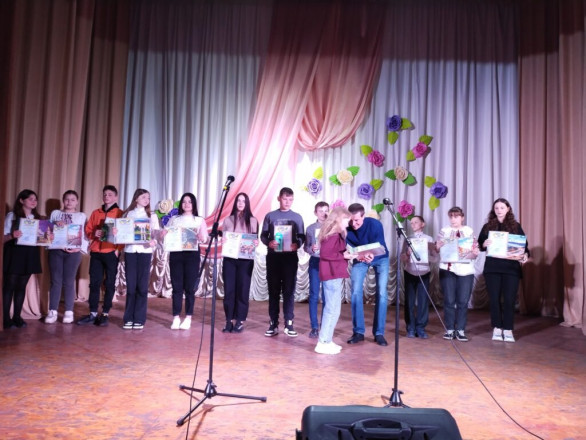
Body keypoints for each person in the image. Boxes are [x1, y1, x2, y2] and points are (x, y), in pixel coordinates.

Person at [478, 198, 530, 343]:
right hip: (492, 268)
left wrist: (525, 255)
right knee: (494, 299)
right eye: (496, 208)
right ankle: (497, 328)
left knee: (509, 300)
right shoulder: (487, 226)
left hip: (511, 269)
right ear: (493, 210)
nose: (499, 210)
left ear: (508, 209)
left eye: (502, 207)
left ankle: (508, 329)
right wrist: (484, 243)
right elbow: (479, 245)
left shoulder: (515, 226)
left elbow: (524, 247)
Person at [260, 187, 305, 337]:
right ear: (279, 198)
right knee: (273, 291)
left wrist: (297, 244)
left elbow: (302, 236)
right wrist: (269, 242)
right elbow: (263, 235)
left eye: (290, 199)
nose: (287, 202)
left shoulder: (297, 217)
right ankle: (273, 323)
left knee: (289, 291)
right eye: (285, 199)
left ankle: (289, 323)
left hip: (290, 259)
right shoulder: (270, 216)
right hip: (273, 258)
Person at [77, 185, 123, 327]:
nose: (106, 197)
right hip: (96, 251)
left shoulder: (120, 213)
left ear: (115, 197)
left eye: (110, 194)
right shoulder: (96, 212)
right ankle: (92, 313)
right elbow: (88, 230)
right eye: (105, 194)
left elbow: (124, 233)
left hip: (111, 252)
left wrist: (118, 249)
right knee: (94, 283)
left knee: (109, 283)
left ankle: (105, 313)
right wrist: (93, 233)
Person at [345, 203, 390, 346]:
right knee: (355, 292)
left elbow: (380, 246)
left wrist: (372, 256)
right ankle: (358, 332)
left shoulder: (375, 224)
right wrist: (359, 256)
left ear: (363, 216)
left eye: (357, 220)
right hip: (361, 258)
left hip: (380, 258)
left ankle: (379, 333)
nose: (353, 224)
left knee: (382, 293)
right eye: (351, 220)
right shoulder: (346, 228)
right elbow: (348, 249)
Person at [164, 192, 208, 330]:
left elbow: (205, 238)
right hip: (176, 254)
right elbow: (165, 234)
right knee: (177, 287)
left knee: (190, 288)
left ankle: (188, 317)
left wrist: (201, 237)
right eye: (184, 201)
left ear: (194, 204)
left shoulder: (199, 220)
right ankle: (176, 317)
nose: (187, 204)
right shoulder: (174, 219)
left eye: (189, 201)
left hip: (192, 255)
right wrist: (163, 233)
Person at [436, 206, 479, 342]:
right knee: (449, 300)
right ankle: (450, 329)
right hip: (448, 268)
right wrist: (438, 246)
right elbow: (436, 249)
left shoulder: (468, 231)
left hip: (465, 269)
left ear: (462, 217)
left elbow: (474, 250)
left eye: (456, 216)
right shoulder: (444, 231)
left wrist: (475, 252)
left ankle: (460, 330)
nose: (453, 219)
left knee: (463, 301)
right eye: (451, 216)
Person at [314, 207, 353, 355]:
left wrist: (347, 254)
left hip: (334, 273)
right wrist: (344, 256)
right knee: (331, 309)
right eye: (346, 220)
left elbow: (334, 252)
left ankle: (327, 340)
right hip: (331, 274)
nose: (348, 224)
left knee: (335, 309)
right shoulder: (332, 235)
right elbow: (325, 254)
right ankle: (322, 342)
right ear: (338, 219)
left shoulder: (335, 235)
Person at [3, 189, 43, 329]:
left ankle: (17, 317)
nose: (34, 201)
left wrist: (48, 237)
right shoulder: (12, 216)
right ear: (21, 200)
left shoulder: (37, 218)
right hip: (14, 253)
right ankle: (5, 319)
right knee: (9, 286)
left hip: (30, 254)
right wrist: (12, 235)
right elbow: (3, 238)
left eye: (35, 199)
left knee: (21, 287)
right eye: (30, 199)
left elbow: (42, 239)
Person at [120, 189, 159, 330]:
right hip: (131, 251)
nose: (146, 200)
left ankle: (139, 318)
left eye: (148, 198)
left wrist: (154, 242)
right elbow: (122, 233)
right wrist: (117, 233)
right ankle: (128, 318)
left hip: (145, 252)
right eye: (143, 197)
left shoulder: (152, 215)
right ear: (136, 198)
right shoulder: (127, 214)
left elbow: (155, 234)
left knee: (142, 287)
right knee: (131, 287)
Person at [46, 190, 87, 324]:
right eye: (67, 199)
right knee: (55, 281)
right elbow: (47, 231)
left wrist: (79, 248)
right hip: (56, 250)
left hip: (73, 252)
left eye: (72, 199)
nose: (69, 202)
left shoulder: (81, 216)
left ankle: (69, 311)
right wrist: (54, 225)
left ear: (77, 202)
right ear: (63, 200)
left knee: (69, 281)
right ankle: (52, 311)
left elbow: (85, 234)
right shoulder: (55, 213)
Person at [221, 192, 258, 333]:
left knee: (243, 290)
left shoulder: (253, 220)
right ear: (235, 203)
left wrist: (255, 242)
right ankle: (229, 320)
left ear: (247, 203)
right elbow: (224, 237)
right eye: (238, 200)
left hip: (245, 260)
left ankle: (240, 320)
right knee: (229, 290)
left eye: (243, 201)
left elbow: (254, 240)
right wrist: (223, 240)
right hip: (230, 259)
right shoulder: (228, 220)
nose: (241, 203)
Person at [400, 215, 437, 339]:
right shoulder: (408, 238)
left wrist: (426, 257)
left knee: (423, 301)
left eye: (416, 222)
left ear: (423, 224)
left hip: (424, 272)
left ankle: (421, 328)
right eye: (411, 223)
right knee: (409, 302)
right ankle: (410, 328)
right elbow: (402, 257)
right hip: (410, 272)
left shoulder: (429, 239)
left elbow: (435, 258)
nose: (413, 224)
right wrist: (407, 254)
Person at [304, 201, 329, 338]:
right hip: (315, 261)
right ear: (315, 213)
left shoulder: (332, 227)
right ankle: (314, 326)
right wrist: (311, 249)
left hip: (328, 263)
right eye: (321, 211)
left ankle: (325, 325)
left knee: (326, 295)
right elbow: (306, 247)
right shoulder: (311, 228)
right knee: (314, 295)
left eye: (326, 210)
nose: (324, 213)